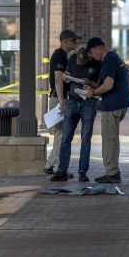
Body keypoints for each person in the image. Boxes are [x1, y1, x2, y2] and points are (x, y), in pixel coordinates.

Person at [85, 37, 129, 184]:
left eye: (92, 53)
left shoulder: (109, 59)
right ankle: (113, 171)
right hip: (119, 104)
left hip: (112, 106)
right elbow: (110, 82)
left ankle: (112, 173)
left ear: (97, 48)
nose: (93, 57)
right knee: (112, 139)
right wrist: (92, 85)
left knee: (109, 141)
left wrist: (94, 93)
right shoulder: (114, 57)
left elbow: (109, 84)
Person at [51, 47, 101, 182]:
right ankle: (62, 170)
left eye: (84, 62)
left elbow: (101, 85)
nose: (81, 63)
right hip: (73, 101)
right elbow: (65, 76)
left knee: (85, 138)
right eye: (80, 61)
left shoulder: (97, 64)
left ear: (90, 57)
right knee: (65, 137)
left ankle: (82, 172)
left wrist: (90, 84)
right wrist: (67, 78)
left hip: (88, 103)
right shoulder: (73, 59)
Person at [45, 30, 80, 175]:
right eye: (74, 41)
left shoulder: (61, 55)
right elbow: (58, 79)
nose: (75, 43)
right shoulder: (60, 56)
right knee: (61, 134)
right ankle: (58, 167)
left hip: (59, 97)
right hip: (60, 98)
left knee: (61, 134)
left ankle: (51, 164)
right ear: (66, 41)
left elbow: (61, 77)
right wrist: (61, 101)